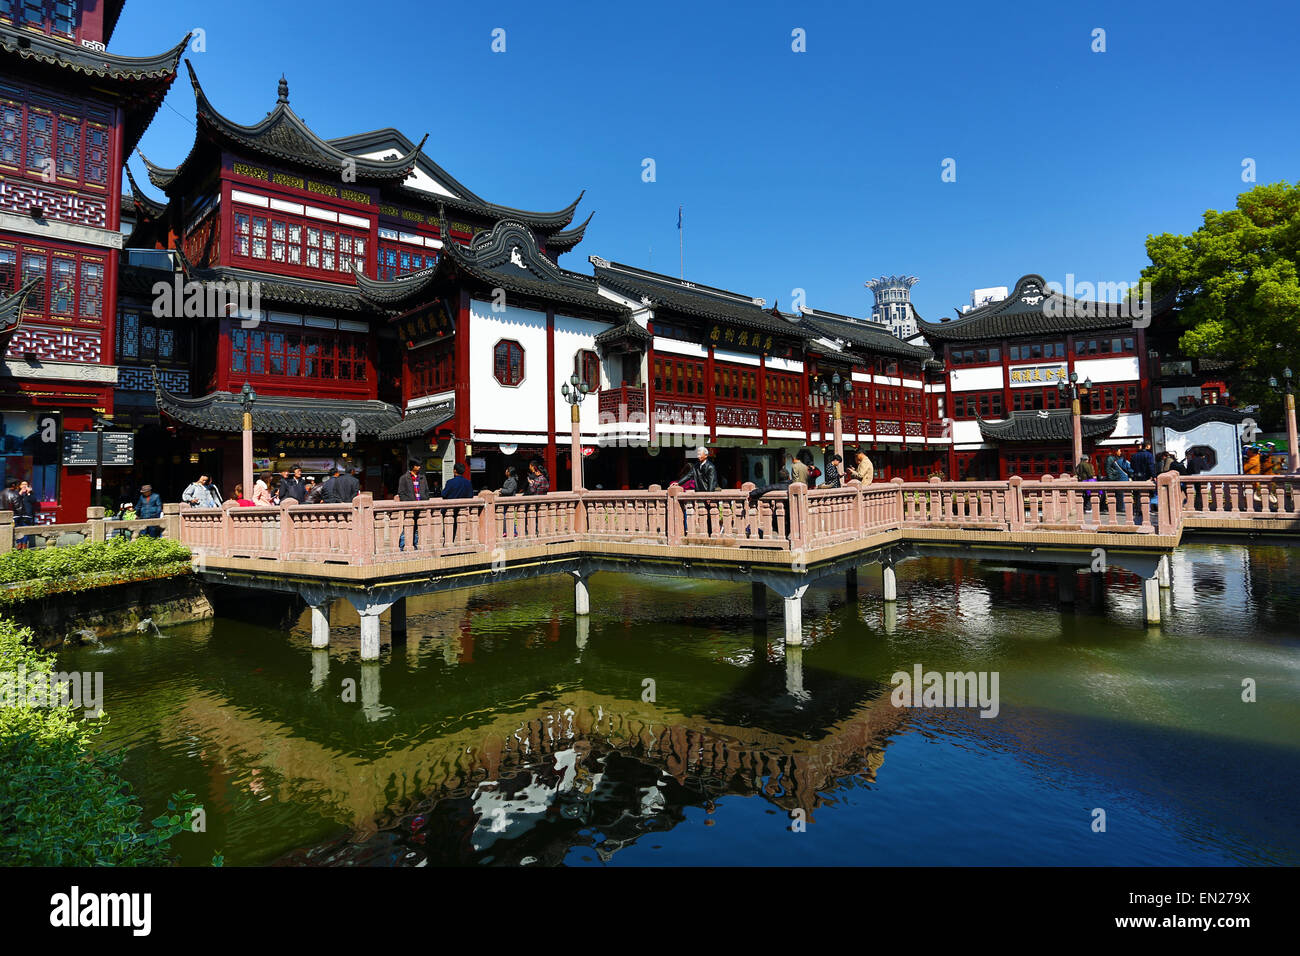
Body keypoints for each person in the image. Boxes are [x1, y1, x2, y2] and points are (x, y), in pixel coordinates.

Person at [397, 461, 430, 552]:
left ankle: (415, 544)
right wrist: (408, 503)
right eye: (417, 465)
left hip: (420, 505)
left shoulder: (422, 478)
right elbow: (401, 493)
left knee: (417, 527)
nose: (419, 467)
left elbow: (427, 491)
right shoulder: (404, 478)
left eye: (419, 465)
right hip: (410, 506)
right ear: (412, 466)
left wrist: (425, 499)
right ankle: (403, 544)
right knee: (407, 525)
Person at [12, 479, 37, 548]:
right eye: (22, 484)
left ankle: (24, 544)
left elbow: (33, 501)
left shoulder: (31, 493)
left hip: (27, 515)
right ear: (20, 486)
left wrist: (29, 493)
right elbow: (14, 500)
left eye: (26, 484)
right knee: (18, 529)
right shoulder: (16, 493)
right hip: (17, 514)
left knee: (26, 530)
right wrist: (20, 493)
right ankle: (19, 543)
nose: (24, 486)